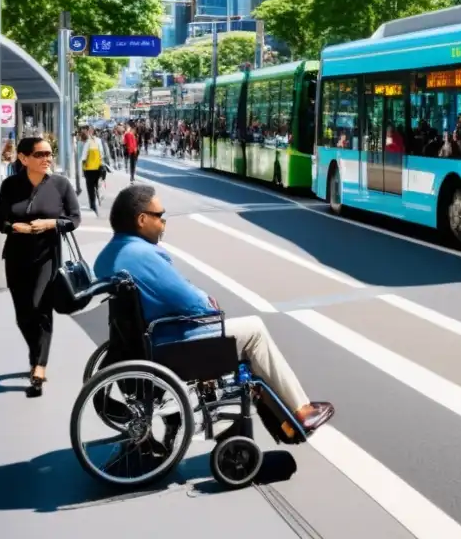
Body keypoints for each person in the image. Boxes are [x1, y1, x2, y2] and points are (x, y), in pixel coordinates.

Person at [93, 184, 334, 440]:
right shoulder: (142, 255)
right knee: (254, 331)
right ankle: (300, 411)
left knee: (245, 339)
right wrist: (208, 303)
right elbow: (186, 299)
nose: (163, 222)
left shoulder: (107, 257)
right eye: (160, 215)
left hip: (148, 341)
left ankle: (283, 419)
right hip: (172, 342)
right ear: (142, 219)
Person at [0, 137, 81, 397]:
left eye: (49, 153)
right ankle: (36, 353)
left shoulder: (60, 184)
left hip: (47, 256)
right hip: (17, 257)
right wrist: (14, 227)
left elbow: (74, 219)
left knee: (40, 307)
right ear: (23, 158)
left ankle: (39, 366)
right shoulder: (10, 185)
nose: (47, 158)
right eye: (40, 154)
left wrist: (50, 224)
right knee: (23, 314)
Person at [79, 125, 105, 216]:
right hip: (97, 167)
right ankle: (98, 198)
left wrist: (82, 168)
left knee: (90, 188)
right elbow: (102, 154)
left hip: (89, 169)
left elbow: (83, 157)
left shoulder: (87, 142)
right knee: (97, 185)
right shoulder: (98, 141)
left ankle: (93, 204)